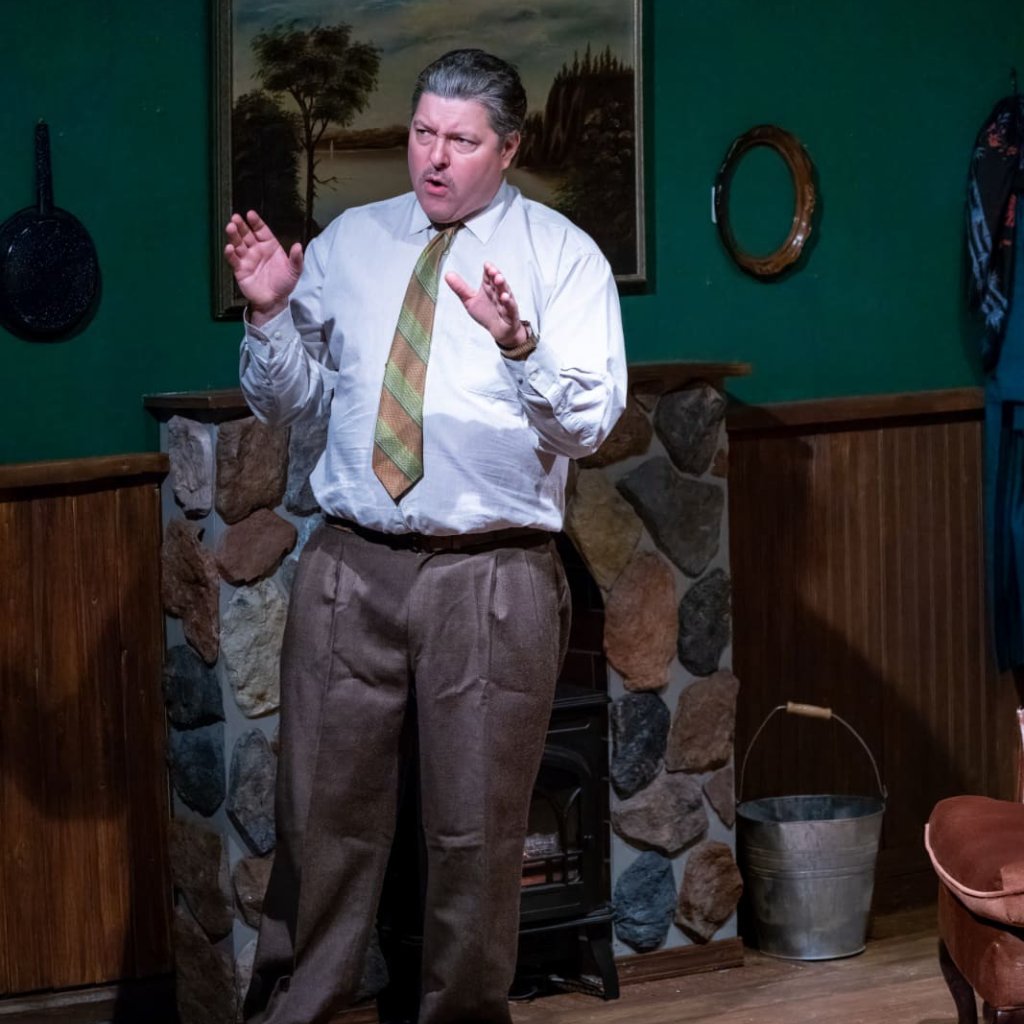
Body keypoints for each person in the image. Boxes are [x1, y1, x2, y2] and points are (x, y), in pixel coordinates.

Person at [224, 48, 626, 1024]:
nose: (433, 158)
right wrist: (272, 308)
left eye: (460, 140)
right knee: (320, 821)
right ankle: (294, 1010)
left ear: (508, 148)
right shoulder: (355, 243)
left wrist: (518, 343)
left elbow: (589, 425)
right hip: (348, 568)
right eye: (421, 133)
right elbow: (286, 403)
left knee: (474, 834)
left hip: (490, 577)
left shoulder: (562, 258)